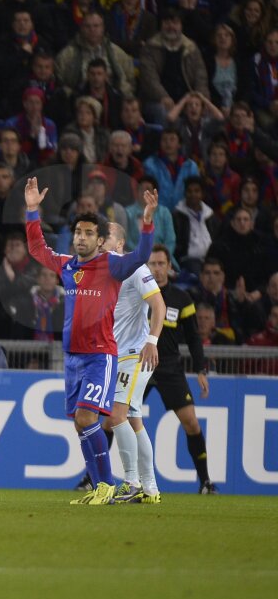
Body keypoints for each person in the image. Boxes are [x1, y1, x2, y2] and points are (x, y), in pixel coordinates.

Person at [23, 176, 157, 506]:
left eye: (88, 233)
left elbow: (141, 254)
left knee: (87, 419)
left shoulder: (111, 265)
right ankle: (99, 488)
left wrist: (147, 222)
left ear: (100, 240)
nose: (81, 238)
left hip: (100, 356)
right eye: (78, 233)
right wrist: (32, 211)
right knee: (79, 423)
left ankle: (108, 484)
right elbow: (37, 249)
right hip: (73, 357)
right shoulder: (68, 266)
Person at [95, 222, 167, 503]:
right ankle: (150, 489)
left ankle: (132, 482)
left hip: (135, 354)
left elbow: (158, 305)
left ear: (120, 244)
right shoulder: (99, 273)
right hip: (114, 356)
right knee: (133, 419)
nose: (101, 241)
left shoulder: (135, 269)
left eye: (107, 236)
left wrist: (152, 340)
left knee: (115, 415)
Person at [143, 246, 217, 494]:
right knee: (112, 420)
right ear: (147, 267)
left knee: (191, 423)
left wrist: (201, 370)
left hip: (169, 368)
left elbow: (194, 338)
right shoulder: (137, 294)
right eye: (152, 264)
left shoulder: (181, 299)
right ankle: (92, 478)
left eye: (161, 264)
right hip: (139, 366)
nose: (157, 269)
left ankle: (205, 482)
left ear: (169, 266)